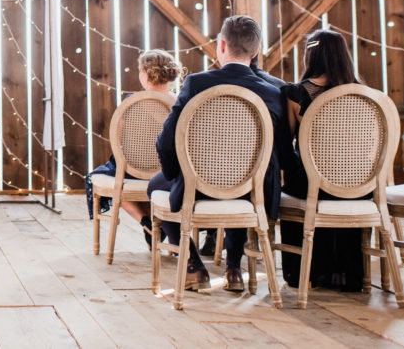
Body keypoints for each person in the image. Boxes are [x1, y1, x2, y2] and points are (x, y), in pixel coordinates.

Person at [147, 15, 284, 294]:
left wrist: (177, 176)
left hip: (200, 185)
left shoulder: (197, 84)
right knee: (238, 182)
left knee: (155, 184)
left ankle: (194, 267)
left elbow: (166, 142)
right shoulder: (273, 92)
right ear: (256, 51)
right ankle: (234, 269)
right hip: (253, 191)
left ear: (221, 45)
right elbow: (279, 150)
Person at [278, 29, 365, 291]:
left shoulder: (296, 94)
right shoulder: (365, 94)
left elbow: (284, 150)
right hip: (359, 185)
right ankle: (347, 274)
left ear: (310, 55)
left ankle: (304, 272)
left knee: (295, 181)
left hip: (313, 183)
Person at [86, 50, 183, 248]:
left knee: (108, 180)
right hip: (166, 174)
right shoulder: (179, 104)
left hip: (132, 172)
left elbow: (118, 140)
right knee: (151, 184)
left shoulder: (131, 103)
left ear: (145, 74)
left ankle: (145, 222)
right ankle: (158, 227)